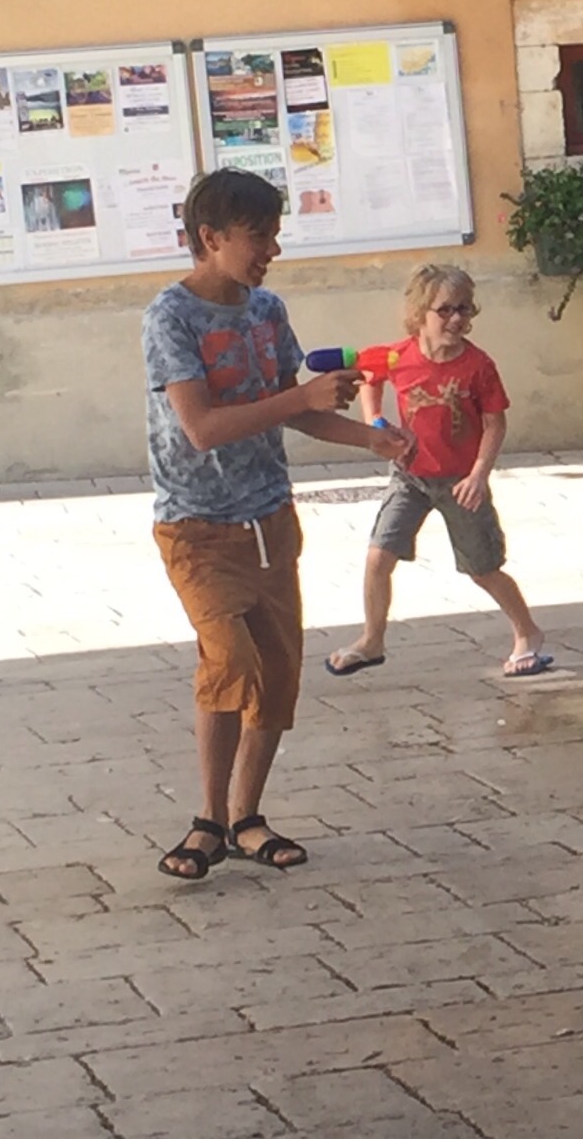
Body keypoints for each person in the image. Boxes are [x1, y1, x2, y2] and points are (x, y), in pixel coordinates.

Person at [144, 167, 413, 880]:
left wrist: (373, 440)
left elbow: (300, 407)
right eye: (259, 236)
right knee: (228, 660)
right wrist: (301, 398)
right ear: (211, 237)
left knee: (277, 674)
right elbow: (202, 427)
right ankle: (207, 820)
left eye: (275, 234)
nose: (272, 250)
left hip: (269, 518)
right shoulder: (170, 316)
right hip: (197, 525)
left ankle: (246, 820)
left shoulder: (267, 310)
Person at [325, 264, 550, 681]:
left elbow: (494, 424)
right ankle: (372, 640)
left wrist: (479, 475)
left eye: (464, 309)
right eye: (444, 310)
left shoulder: (478, 366)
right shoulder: (398, 356)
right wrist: (376, 423)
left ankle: (527, 632)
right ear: (419, 314)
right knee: (378, 556)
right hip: (410, 476)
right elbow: (370, 378)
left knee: (482, 568)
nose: (456, 319)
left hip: (460, 481)